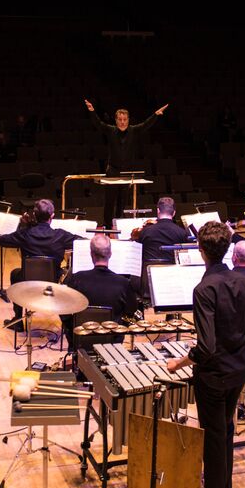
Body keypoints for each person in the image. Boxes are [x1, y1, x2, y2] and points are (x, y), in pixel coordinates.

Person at [166, 221, 245, 488]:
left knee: (214, 437)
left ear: (201, 251)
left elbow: (205, 347)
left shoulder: (204, 289)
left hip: (214, 376)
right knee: (226, 431)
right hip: (239, 370)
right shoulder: (244, 283)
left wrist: (180, 361)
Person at [84, 98, 169, 226]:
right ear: (116, 120)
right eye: (120, 119)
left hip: (126, 172)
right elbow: (98, 124)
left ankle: (119, 225)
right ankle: (107, 226)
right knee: (109, 202)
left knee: (122, 202)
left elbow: (146, 124)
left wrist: (155, 115)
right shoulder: (111, 130)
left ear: (128, 120)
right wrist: (92, 111)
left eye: (125, 120)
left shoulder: (133, 131)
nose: (122, 122)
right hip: (112, 171)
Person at [0, 199, 80, 325]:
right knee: (68, 274)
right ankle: (67, 325)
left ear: (34, 215)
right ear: (52, 216)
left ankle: (18, 321)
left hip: (27, 280)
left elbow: (2, 239)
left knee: (15, 273)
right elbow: (82, 241)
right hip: (53, 281)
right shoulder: (60, 235)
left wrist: (26, 226)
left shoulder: (24, 234)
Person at [61, 234, 139, 349]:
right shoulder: (123, 283)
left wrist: (71, 331)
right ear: (110, 254)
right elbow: (131, 311)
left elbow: (64, 311)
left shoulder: (75, 279)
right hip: (112, 343)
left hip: (80, 341)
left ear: (91, 254)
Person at [133, 196, 188, 262]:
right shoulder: (182, 233)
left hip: (148, 270)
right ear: (174, 213)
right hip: (173, 271)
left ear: (158, 210)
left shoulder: (145, 232)